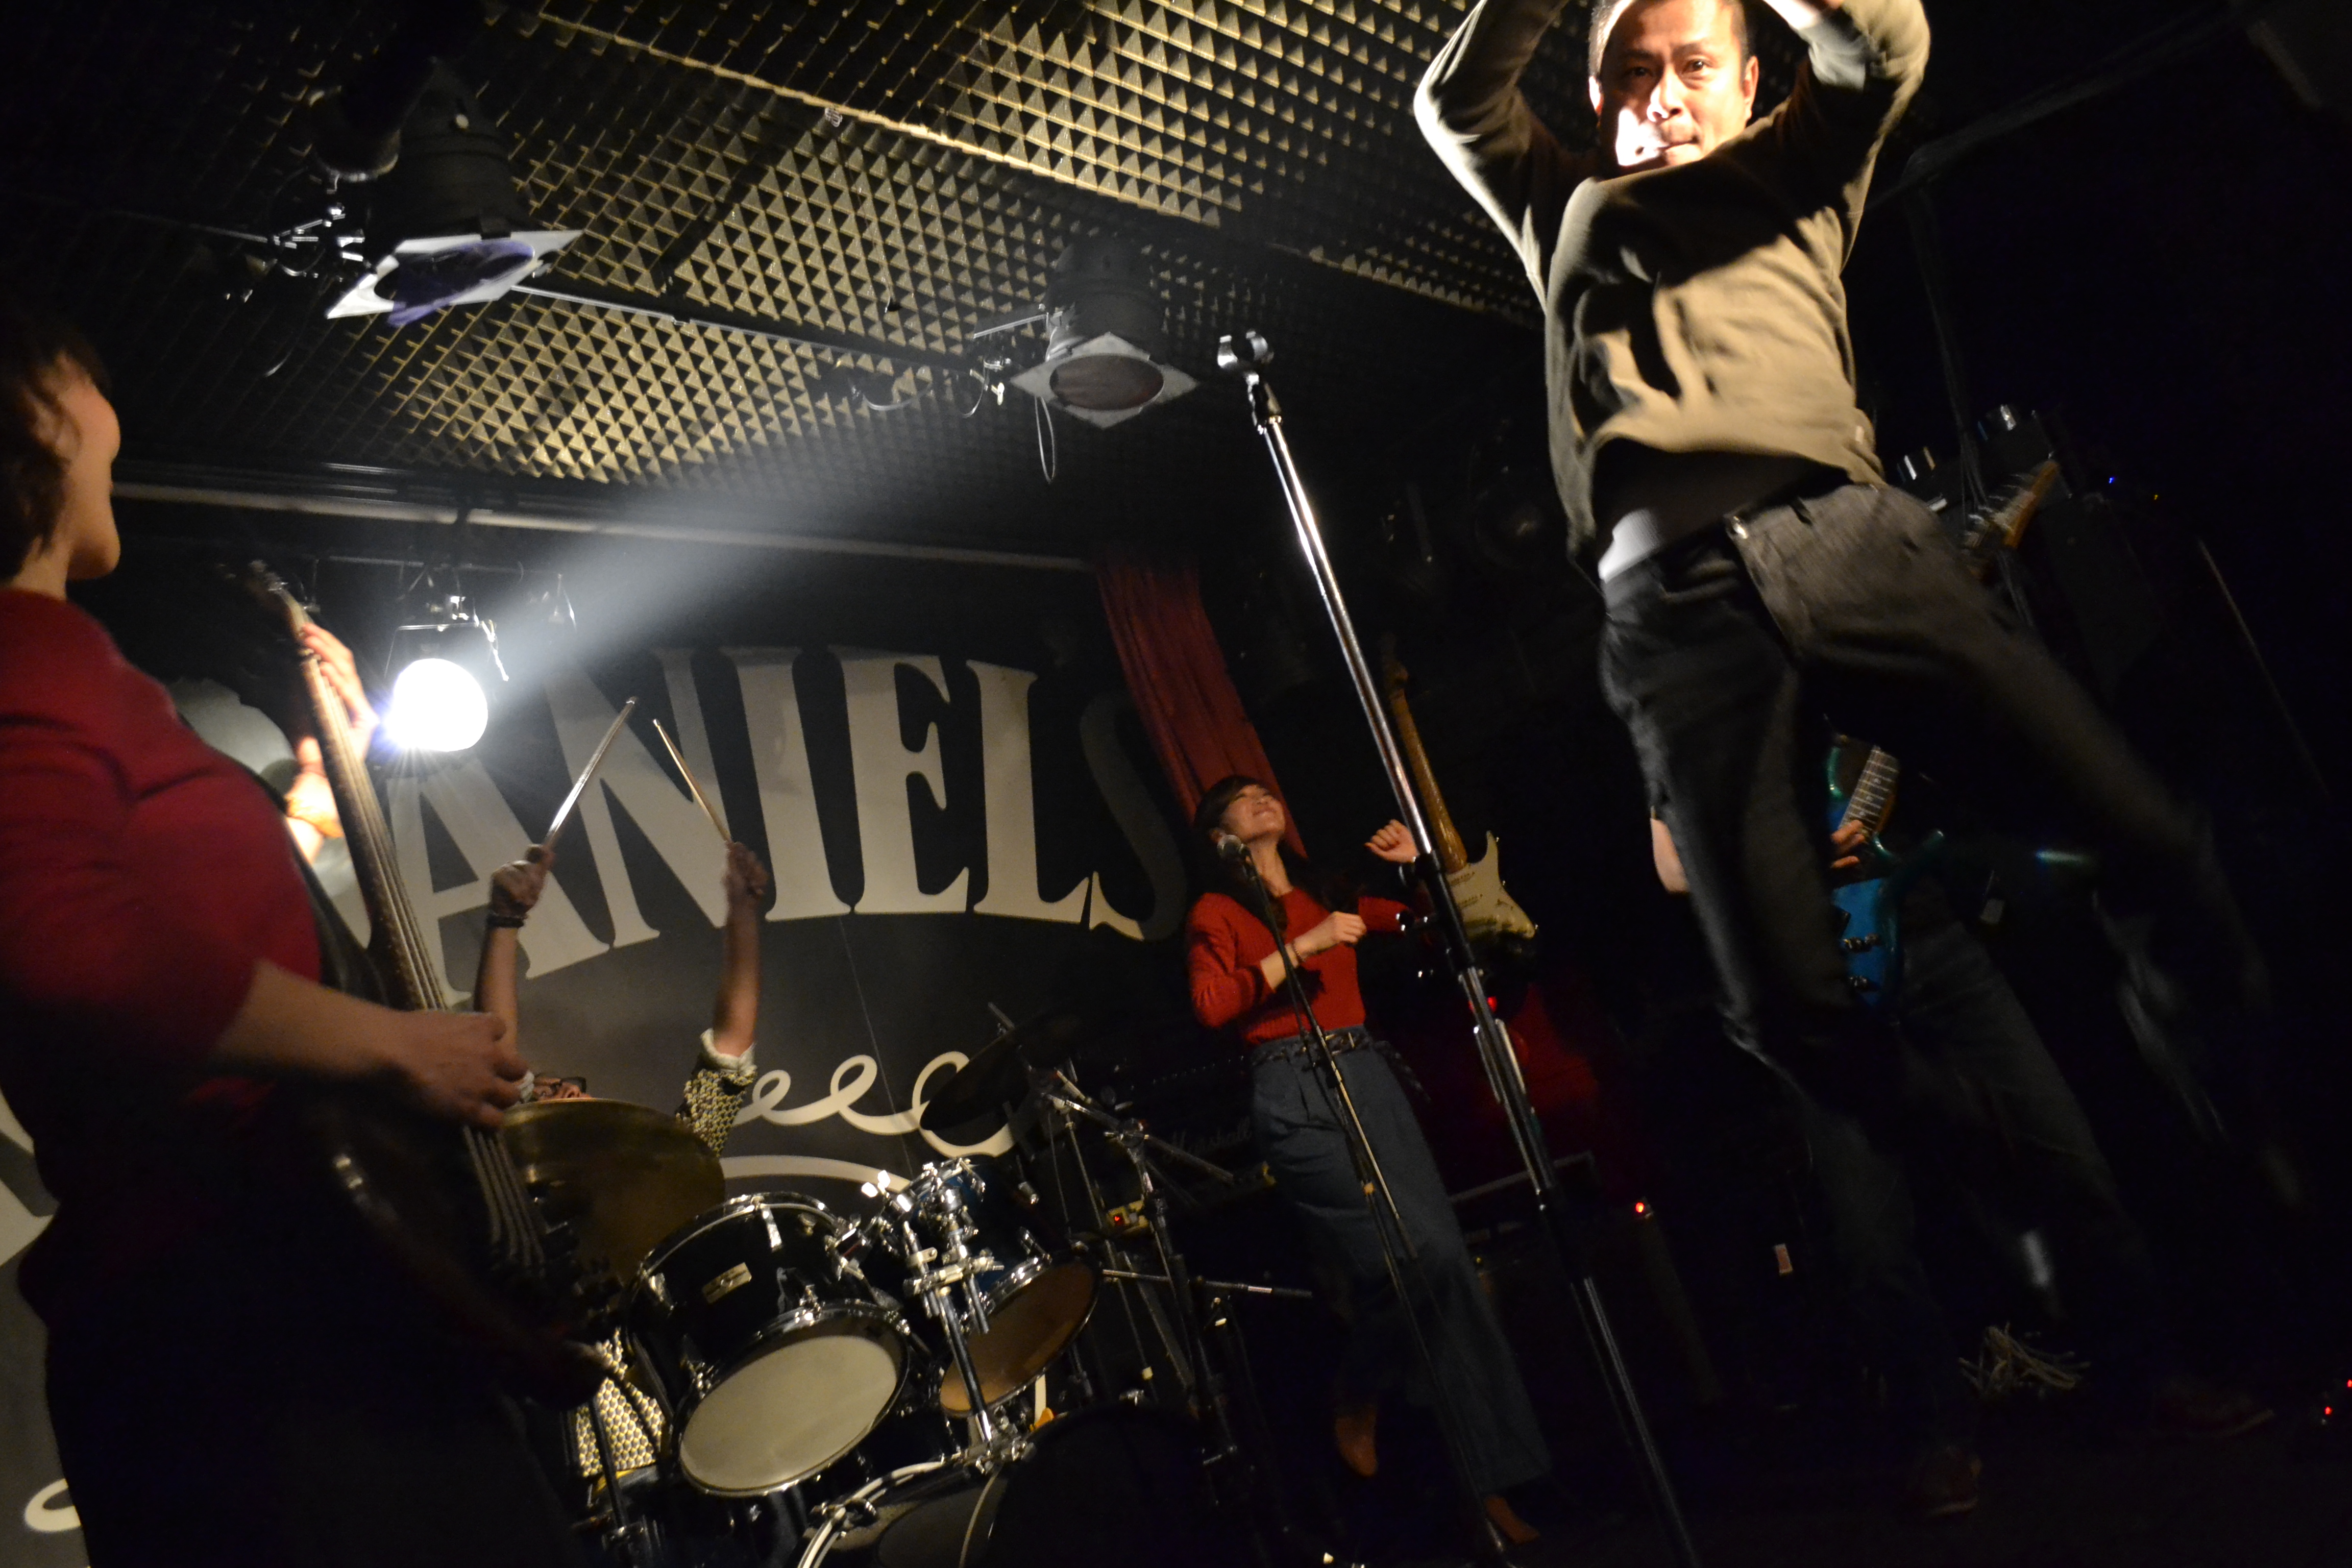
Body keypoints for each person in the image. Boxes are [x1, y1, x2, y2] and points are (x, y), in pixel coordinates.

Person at [0, 290, 585, 1567]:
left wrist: (315, 801)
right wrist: (393, 1043)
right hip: (254, 1336)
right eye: (89, 382)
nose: (114, 420)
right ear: (36, 408)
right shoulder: (25, 646)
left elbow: (175, 921)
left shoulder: (57, 664)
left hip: (239, 1327)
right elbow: (60, 944)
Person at [1653, 797, 2270, 1516]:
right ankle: (1936, 1434)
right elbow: (1671, 865)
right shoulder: (1703, 726)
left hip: (1939, 947)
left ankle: (2151, 1374)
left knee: (2070, 1162)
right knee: (1870, 1239)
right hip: (1821, 985)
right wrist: (1791, 855)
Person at [1185, 775, 1549, 1546]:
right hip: (1290, 1086)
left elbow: (1433, 928)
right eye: (1242, 798)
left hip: (1365, 1072)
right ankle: (1359, 1387)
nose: (1262, 797)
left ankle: (1488, 1486)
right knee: (1405, 1265)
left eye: (1265, 790)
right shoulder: (1217, 911)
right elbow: (1213, 1004)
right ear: (1220, 835)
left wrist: (1416, 868)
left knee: (1447, 1267)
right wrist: (1301, 949)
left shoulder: (1327, 892)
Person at [471, 838, 772, 1482]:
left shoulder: (657, 1175)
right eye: (547, 1093)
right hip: (586, 1485)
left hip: (703, 1455)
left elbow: (730, 1048)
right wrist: (504, 921)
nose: (566, 1095)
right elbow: (496, 1057)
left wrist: (744, 914)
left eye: (572, 1089)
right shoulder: (522, 1247)